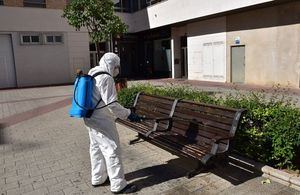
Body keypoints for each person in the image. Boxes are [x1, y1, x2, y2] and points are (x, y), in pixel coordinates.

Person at [84, 52, 141, 194]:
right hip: (102, 119)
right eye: (117, 66)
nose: (117, 70)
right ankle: (118, 185)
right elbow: (112, 104)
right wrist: (128, 114)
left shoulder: (93, 72)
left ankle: (98, 178)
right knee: (112, 149)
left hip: (89, 116)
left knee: (96, 148)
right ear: (112, 65)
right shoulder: (106, 77)